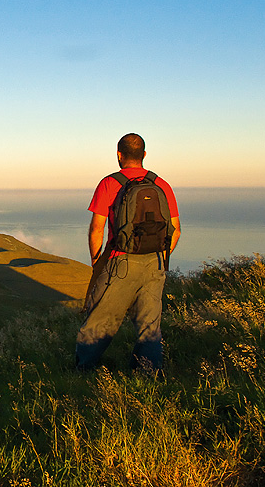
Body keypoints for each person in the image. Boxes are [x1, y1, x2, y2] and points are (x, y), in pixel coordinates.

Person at [75, 133, 181, 372]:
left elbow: (96, 230)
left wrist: (97, 264)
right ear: (144, 155)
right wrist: (160, 256)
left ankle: (84, 372)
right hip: (155, 263)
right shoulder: (161, 184)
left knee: (99, 321)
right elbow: (176, 231)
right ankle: (147, 374)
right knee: (149, 326)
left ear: (119, 155)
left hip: (119, 262)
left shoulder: (110, 183)